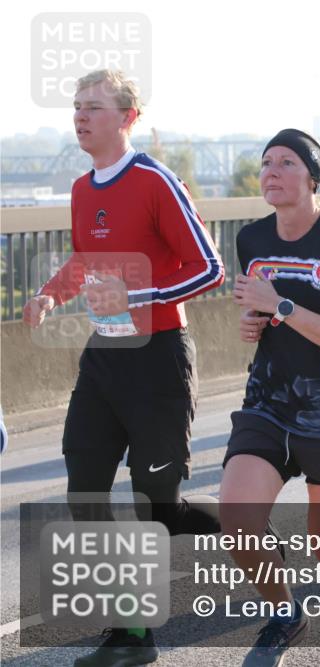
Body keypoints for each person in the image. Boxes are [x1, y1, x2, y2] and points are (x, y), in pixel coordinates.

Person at [22, 69, 225, 667]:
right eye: (77, 107)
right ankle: (132, 634)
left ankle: (241, 529)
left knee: (157, 508)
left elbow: (208, 268)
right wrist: (51, 294)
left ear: (127, 118)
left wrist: (137, 297)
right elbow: (86, 259)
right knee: (85, 489)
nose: (81, 116)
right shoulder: (84, 188)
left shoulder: (156, 182)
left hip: (158, 361)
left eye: (94, 107)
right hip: (104, 359)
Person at [219, 129, 320, 667]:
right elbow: (258, 309)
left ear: (311, 178)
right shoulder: (250, 239)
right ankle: (285, 613)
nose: (271, 170)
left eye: (286, 162)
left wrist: (281, 306)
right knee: (236, 520)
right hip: (270, 400)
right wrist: (254, 320)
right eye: (266, 162)